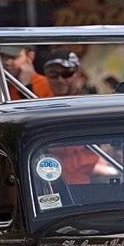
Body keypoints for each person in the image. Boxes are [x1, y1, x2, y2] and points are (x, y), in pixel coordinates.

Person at [43, 52, 99, 183]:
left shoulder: (94, 107)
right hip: (51, 182)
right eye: (53, 74)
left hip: (87, 183)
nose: (60, 80)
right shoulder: (42, 110)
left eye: (66, 73)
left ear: (78, 74)